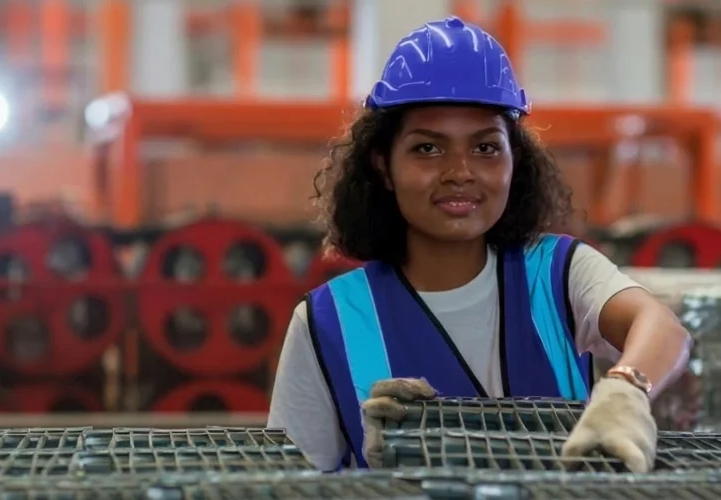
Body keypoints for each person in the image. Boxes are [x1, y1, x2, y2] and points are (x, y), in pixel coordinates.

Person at [267, 16, 692, 472]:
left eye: (485, 148)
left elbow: (661, 327)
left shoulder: (558, 273)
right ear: (384, 167)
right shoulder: (327, 322)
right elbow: (288, 484)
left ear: (514, 162)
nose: (460, 172)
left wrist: (626, 389)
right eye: (428, 149)